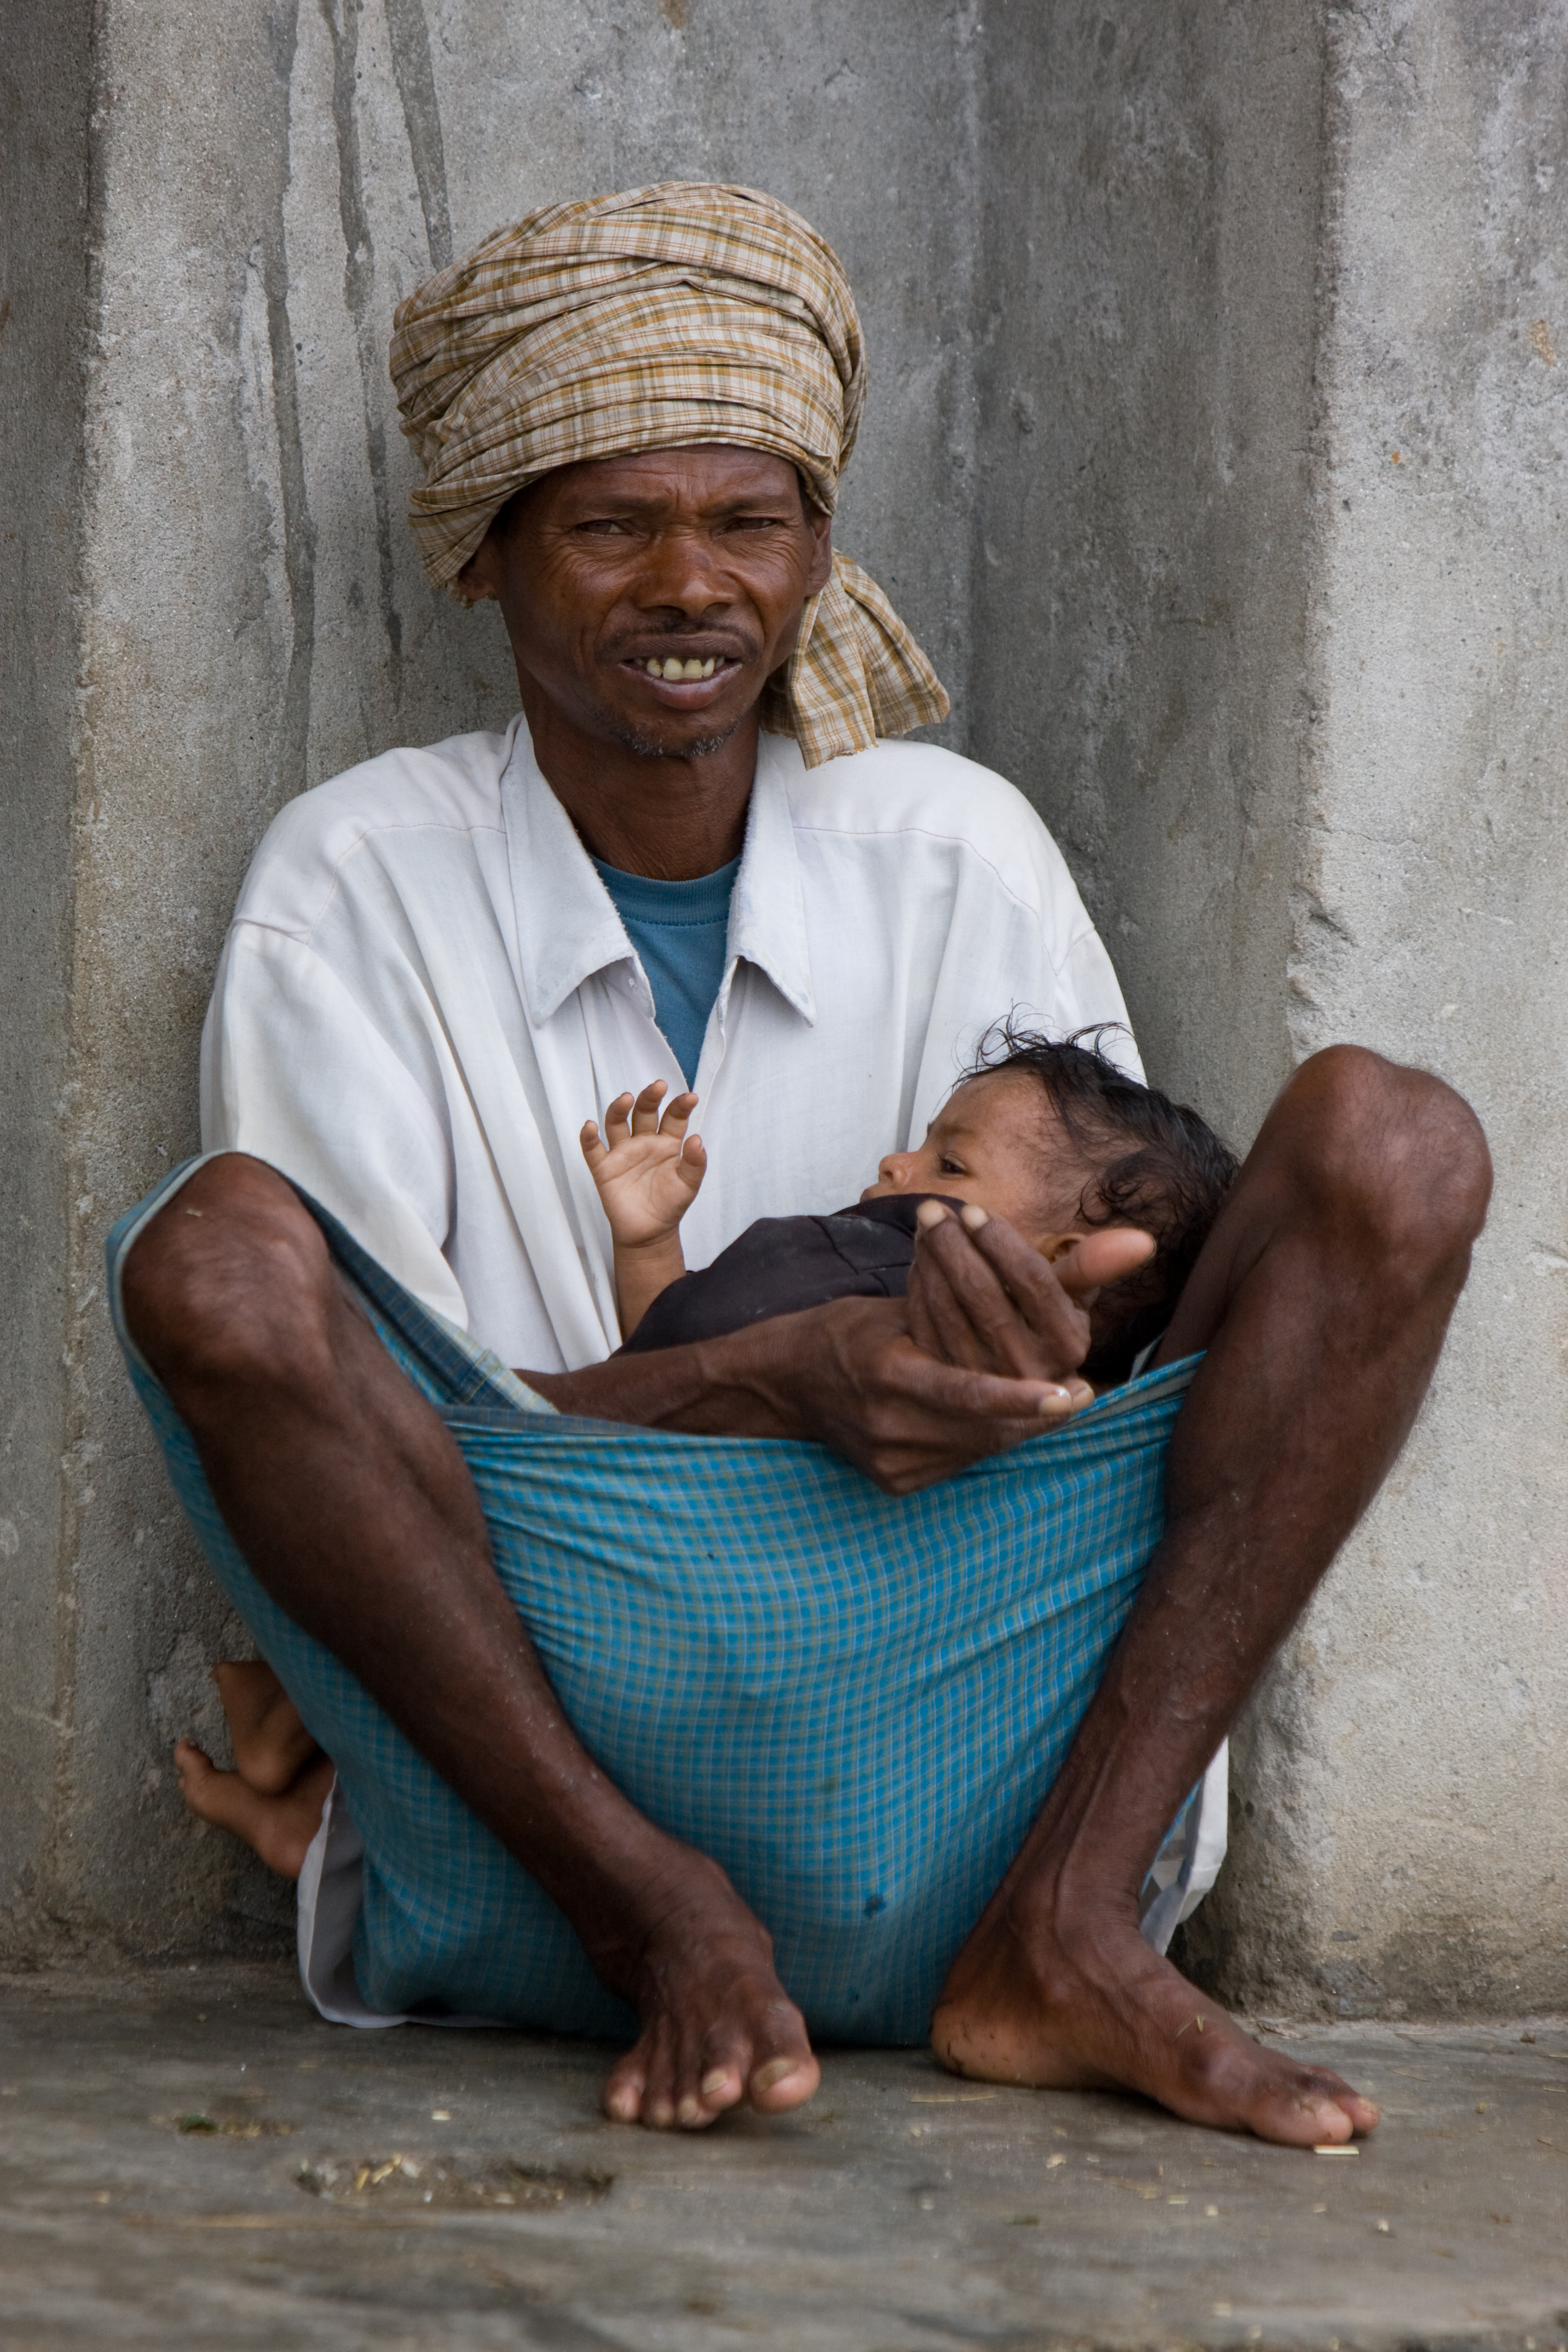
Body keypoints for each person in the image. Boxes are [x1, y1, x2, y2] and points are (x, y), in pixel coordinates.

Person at [117, 181, 1491, 2146]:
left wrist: (1035, 1367)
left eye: (750, 521)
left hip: (984, 1761)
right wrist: (775, 1374)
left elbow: (1155, 1394)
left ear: (821, 550)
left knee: (1395, 1140)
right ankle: (670, 1912)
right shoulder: (353, 885)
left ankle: (1073, 1928)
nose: (693, 584)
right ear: (487, 556)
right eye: (610, 524)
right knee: (215, 1259)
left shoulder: (956, 847)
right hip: (558, 1804)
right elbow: (390, 1459)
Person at [170, 1031, 1240, 1866]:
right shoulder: (851, 1259)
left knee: (449, 1565)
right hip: (620, 1481)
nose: (897, 1159)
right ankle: (315, 1799)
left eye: (947, 1162)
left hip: (684, 1569)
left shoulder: (951, 1330)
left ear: (1054, 1263)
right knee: (435, 1573)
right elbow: (678, 1347)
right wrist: (650, 1247)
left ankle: (313, 1777)